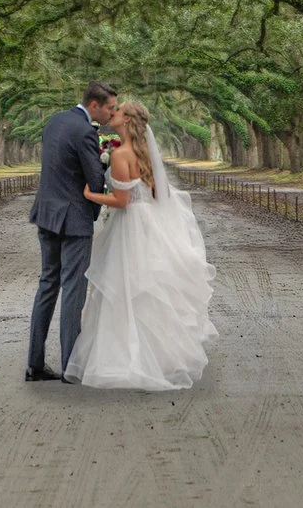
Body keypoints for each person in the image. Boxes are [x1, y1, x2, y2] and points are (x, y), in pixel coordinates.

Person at [66, 100, 218, 391]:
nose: (113, 114)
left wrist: (90, 195)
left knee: (125, 290)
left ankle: (126, 360)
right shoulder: (144, 153)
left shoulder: (122, 155)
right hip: (150, 226)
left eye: (119, 111)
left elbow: (122, 202)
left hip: (130, 227)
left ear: (127, 121)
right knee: (147, 291)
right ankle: (159, 357)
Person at [25, 80, 118, 382]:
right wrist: (109, 172)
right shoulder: (85, 132)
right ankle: (70, 367)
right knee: (73, 290)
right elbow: (93, 177)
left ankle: (34, 364)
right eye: (109, 108)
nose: (110, 114)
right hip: (73, 219)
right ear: (94, 105)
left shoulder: (55, 122)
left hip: (47, 214)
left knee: (47, 284)